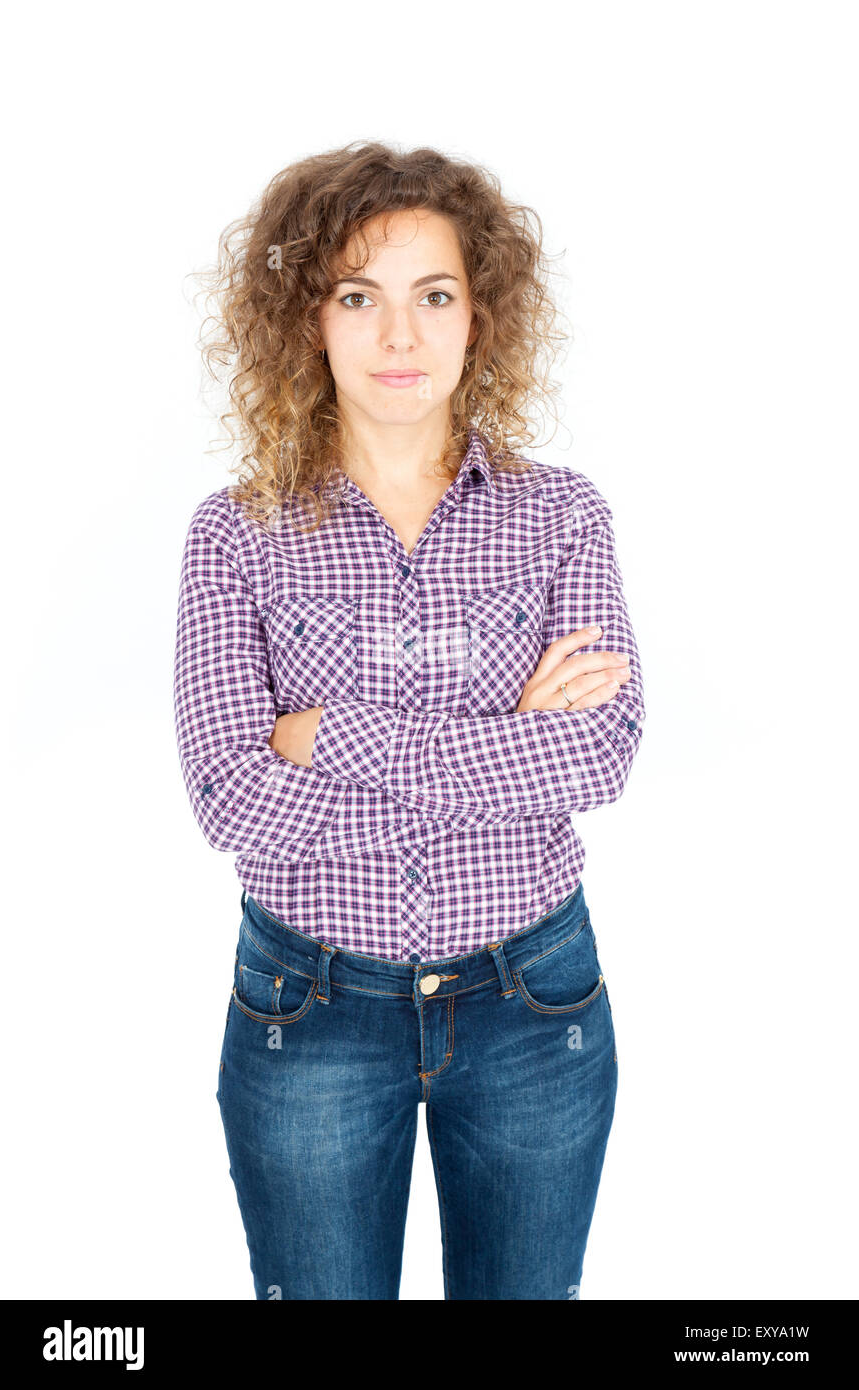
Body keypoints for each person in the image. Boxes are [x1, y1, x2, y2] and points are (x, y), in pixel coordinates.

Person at [173, 140, 646, 1300]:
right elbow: (229, 796)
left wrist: (322, 734)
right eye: (357, 297)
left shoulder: (560, 519)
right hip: (308, 1010)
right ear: (307, 319)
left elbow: (595, 754)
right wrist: (503, 747)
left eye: (432, 297)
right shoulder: (234, 533)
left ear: (477, 318)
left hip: (534, 1002)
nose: (399, 336)